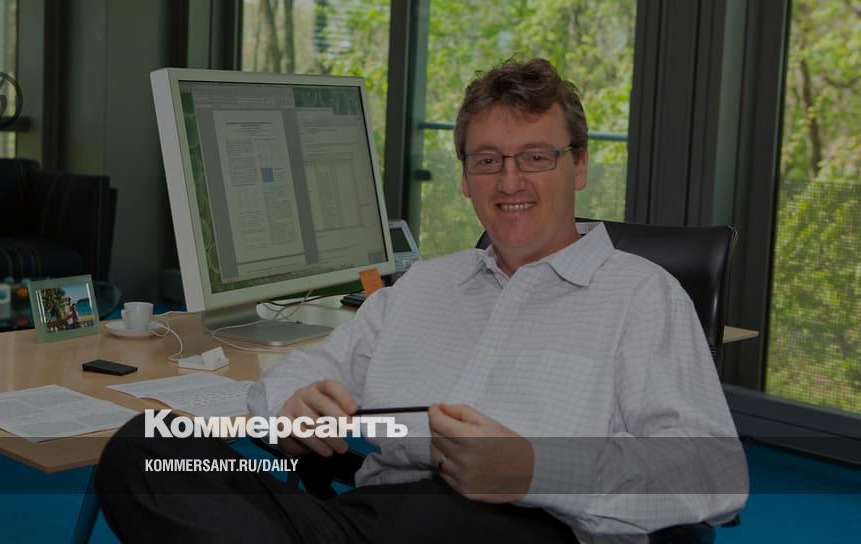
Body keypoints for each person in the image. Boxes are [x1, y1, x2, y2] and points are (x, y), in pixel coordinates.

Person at [96, 58, 748, 544]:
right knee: (146, 446)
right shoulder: (423, 287)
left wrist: (534, 469)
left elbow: (715, 473)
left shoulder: (641, 295)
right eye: (487, 160)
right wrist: (294, 405)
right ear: (465, 178)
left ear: (578, 167)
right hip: (365, 521)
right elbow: (303, 372)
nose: (510, 181)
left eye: (535, 157)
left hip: (529, 527)